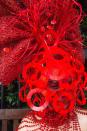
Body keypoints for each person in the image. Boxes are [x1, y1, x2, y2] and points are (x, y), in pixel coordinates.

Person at [0, 0, 87, 131]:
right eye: (45, 64)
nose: (54, 77)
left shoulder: (84, 121)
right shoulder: (28, 127)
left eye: (60, 63)